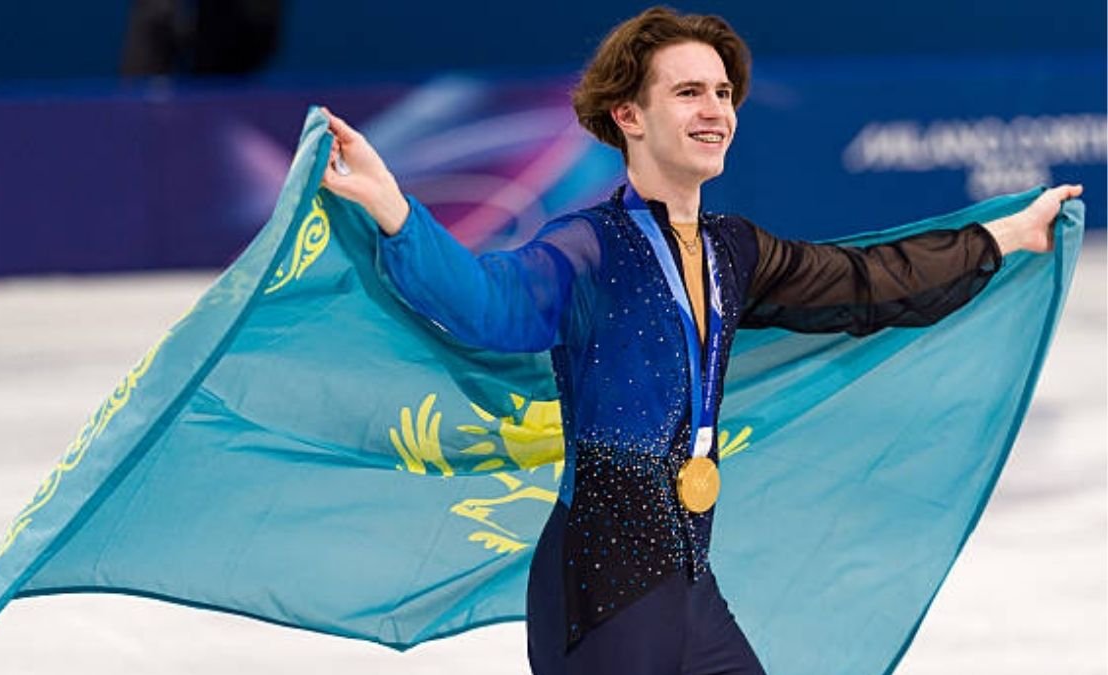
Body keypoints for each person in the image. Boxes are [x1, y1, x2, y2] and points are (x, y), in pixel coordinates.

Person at [318, 7, 1082, 675]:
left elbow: (865, 281)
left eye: (722, 92)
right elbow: (489, 306)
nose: (715, 109)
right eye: (689, 92)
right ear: (628, 114)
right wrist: (394, 208)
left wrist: (1006, 235)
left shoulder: (733, 249)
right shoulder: (588, 248)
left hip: (688, 585)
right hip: (601, 592)